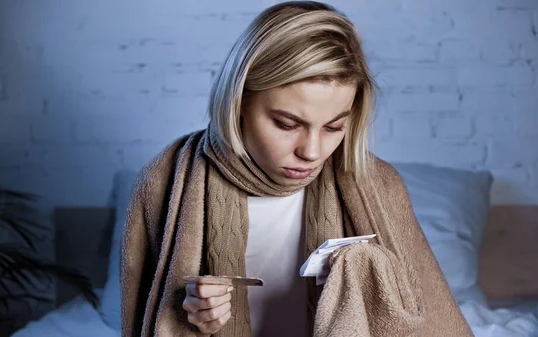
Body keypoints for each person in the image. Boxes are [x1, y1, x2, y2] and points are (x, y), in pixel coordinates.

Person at [121, 1, 473, 336]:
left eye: (334, 127)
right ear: (239, 101)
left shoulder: (380, 184)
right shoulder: (164, 182)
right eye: (287, 124)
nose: (313, 152)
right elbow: (148, 320)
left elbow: (418, 317)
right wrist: (191, 318)